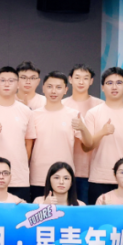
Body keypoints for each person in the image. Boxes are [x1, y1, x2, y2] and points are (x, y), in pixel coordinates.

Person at [82, 67, 123, 205]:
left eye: (119, 83)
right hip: (100, 178)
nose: (114, 87)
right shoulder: (93, 113)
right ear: (102, 87)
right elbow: (87, 147)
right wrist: (102, 132)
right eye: (109, 83)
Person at [0, 67, 36, 202]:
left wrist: (21, 164)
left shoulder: (26, 111)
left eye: (11, 80)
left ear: (18, 84)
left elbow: (29, 144)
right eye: (2, 80)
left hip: (18, 178)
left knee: (20, 214)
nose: (7, 84)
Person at [28, 72, 89, 201]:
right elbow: (28, 147)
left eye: (58, 87)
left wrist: (83, 128)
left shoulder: (74, 115)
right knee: (39, 212)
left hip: (65, 177)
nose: (53, 91)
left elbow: (89, 145)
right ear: (43, 88)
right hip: (39, 177)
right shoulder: (33, 115)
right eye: (49, 86)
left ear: (66, 90)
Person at [63, 64, 102, 204]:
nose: (81, 82)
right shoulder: (62, 104)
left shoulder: (100, 105)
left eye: (85, 78)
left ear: (91, 81)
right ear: (70, 79)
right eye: (77, 77)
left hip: (94, 170)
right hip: (67, 170)